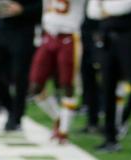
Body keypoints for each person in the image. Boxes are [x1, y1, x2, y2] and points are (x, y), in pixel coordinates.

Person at [28, 0, 87, 143]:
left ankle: (63, 131)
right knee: (35, 85)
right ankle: (58, 117)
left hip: (69, 36)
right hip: (48, 35)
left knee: (67, 84)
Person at [89, 0, 131, 152]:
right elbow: (92, 12)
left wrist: (104, 8)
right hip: (107, 39)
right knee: (107, 88)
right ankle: (110, 138)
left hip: (129, 38)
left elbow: (123, 7)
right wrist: (106, 9)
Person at [0, 0, 42, 131]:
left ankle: (16, 117)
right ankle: (10, 108)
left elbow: (40, 9)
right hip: (3, 30)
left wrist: (22, 10)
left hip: (23, 31)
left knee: (19, 77)